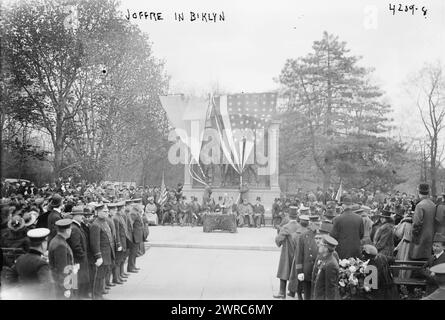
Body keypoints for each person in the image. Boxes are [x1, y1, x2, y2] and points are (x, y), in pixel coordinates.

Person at [7, 228, 54, 299]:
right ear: (43, 244)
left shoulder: (20, 259)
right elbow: (47, 287)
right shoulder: (42, 264)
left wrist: (19, 290)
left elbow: (10, 276)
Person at [273, 207, 300, 299]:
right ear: (297, 216)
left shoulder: (286, 227)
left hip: (287, 252)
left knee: (283, 271)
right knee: (295, 272)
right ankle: (292, 291)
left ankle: (282, 292)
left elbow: (278, 240)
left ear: (289, 216)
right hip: (298, 253)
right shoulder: (300, 226)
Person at [89, 204, 115, 300]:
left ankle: (99, 294)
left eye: (107, 211)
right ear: (98, 212)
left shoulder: (104, 222)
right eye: (105, 211)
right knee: (99, 277)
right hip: (102, 255)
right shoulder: (96, 225)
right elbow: (95, 243)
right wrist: (98, 256)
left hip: (107, 254)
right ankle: (96, 296)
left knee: (103, 275)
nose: (107, 213)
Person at [66, 205, 90, 299]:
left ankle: (82, 296)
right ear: (75, 216)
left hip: (80, 258)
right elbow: (76, 246)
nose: (82, 216)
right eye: (80, 215)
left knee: (82, 279)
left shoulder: (77, 226)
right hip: (79, 260)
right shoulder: (75, 228)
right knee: (79, 280)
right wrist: (83, 256)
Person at [330, 195, 364, 259]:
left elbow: (333, 236)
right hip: (355, 250)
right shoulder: (359, 218)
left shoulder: (337, 219)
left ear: (343, 205)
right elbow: (361, 235)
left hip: (341, 251)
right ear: (351, 206)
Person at [409, 183, 437, 260]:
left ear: (418, 192)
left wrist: (414, 238)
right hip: (431, 236)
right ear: (428, 192)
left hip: (421, 238)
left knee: (416, 262)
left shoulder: (420, 205)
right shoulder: (433, 205)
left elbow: (416, 223)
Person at [295, 215, 320, 300]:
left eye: (317, 222)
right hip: (307, 270)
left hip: (319, 270)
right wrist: (299, 271)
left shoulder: (323, 235)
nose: (315, 225)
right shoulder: (303, 236)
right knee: (308, 295)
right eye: (313, 223)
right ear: (310, 223)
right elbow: (299, 255)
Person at [48, 218, 74, 299]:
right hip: (62, 283)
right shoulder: (60, 245)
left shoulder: (57, 240)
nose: (71, 231)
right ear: (67, 231)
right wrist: (66, 288)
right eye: (70, 229)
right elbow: (62, 269)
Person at [312, 235, 340, 300]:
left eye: (321, 244)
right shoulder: (325, 259)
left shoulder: (331, 264)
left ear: (326, 248)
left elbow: (330, 289)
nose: (319, 245)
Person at [394, 211, 413, 279]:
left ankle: (401, 277)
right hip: (413, 245)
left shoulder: (405, 222)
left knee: (402, 260)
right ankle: (407, 277)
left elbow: (399, 234)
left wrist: (397, 226)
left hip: (405, 243)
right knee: (409, 262)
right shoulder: (416, 223)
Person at [127, 203, 143, 273]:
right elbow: (130, 225)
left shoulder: (136, 212)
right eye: (140, 205)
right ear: (136, 206)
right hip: (135, 236)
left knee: (135, 252)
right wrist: (132, 235)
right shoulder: (133, 213)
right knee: (132, 253)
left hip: (137, 236)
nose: (141, 206)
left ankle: (133, 266)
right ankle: (130, 267)